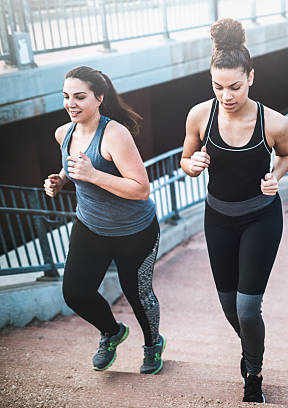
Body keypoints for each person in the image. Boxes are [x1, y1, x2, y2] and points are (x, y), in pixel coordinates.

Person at [180, 18, 288, 403]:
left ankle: (254, 373)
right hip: (218, 219)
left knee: (248, 307)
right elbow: (184, 157)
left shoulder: (273, 122)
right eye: (217, 87)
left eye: (234, 86)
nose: (226, 96)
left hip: (261, 216)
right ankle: (251, 349)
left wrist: (275, 175)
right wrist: (192, 164)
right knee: (230, 305)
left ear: (251, 78)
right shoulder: (200, 116)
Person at [44, 66, 166, 375]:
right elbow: (74, 167)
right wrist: (60, 180)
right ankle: (111, 331)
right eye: (66, 97)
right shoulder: (64, 133)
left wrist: (94, 175)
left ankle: (153, 344)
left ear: (99, 98)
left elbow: (140, 189)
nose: (71, 103)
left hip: (134, 231)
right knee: (75, 292)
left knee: (138, 295)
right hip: (91, 227)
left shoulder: (115, 135)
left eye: (80, 97)